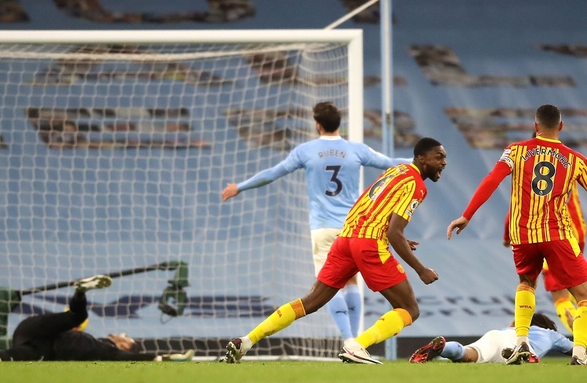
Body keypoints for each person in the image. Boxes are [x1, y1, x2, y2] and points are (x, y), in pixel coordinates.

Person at [223, 137, 446, 364]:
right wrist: (421, 269)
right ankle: (356, 346)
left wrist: (396, 236)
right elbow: (394, 232)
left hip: (346, 238)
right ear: (421, 158)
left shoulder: (397, 170)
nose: (444, 162)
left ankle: (247, 341)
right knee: (409, 309)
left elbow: (378, 206)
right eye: (439, 156)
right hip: (369, 243)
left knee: (310, 302)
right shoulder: (417, 185)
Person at [222, 102, 411, 343]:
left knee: (330, 285)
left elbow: (273, 173)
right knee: (352, 281)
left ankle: (348, 340)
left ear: (317, 125)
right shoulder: (357, 150)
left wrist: (240, 186)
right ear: (338, 123)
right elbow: (393, 162)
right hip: (353, 228)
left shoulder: (305, 151)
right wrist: (420, 161)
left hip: (323, 228)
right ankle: (355, 342)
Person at [447, 104, 587, 366]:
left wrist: (467, 214)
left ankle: (522, 342)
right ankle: (580, 351)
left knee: (526, 284)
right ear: (561, 126)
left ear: (535, 127)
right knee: (583, 295)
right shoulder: (575, 159)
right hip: (557, 234)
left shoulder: (516, 151)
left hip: (523, 236)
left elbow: (492, 179)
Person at [0, 274, 194, 362]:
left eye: (125, 336)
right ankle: (80, 293)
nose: (119, 334)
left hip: (31, 335)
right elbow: (124, 359)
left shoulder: (105, 348)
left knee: (33, 353)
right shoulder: (92, 346)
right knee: (75, 318)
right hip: (45, 331)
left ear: (125, 344)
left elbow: (124, 357)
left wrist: (161, 358)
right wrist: (162, 358)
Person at [500, 135, 587, 334]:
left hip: (552, 232)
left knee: (560, 294)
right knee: (579, 289)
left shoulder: (528, 165)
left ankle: (581, 337)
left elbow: (518, 206)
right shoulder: (568, 161)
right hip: (577, 230)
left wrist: (507, 234)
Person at [409, 313, 572, 364]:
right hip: (523, 346)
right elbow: (578, 351)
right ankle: (518, 357)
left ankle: (443, 348)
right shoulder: (551, 334)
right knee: (520, 360)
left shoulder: (509, 328)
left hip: (496, 335)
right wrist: (575, 326)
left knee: (469, 353)